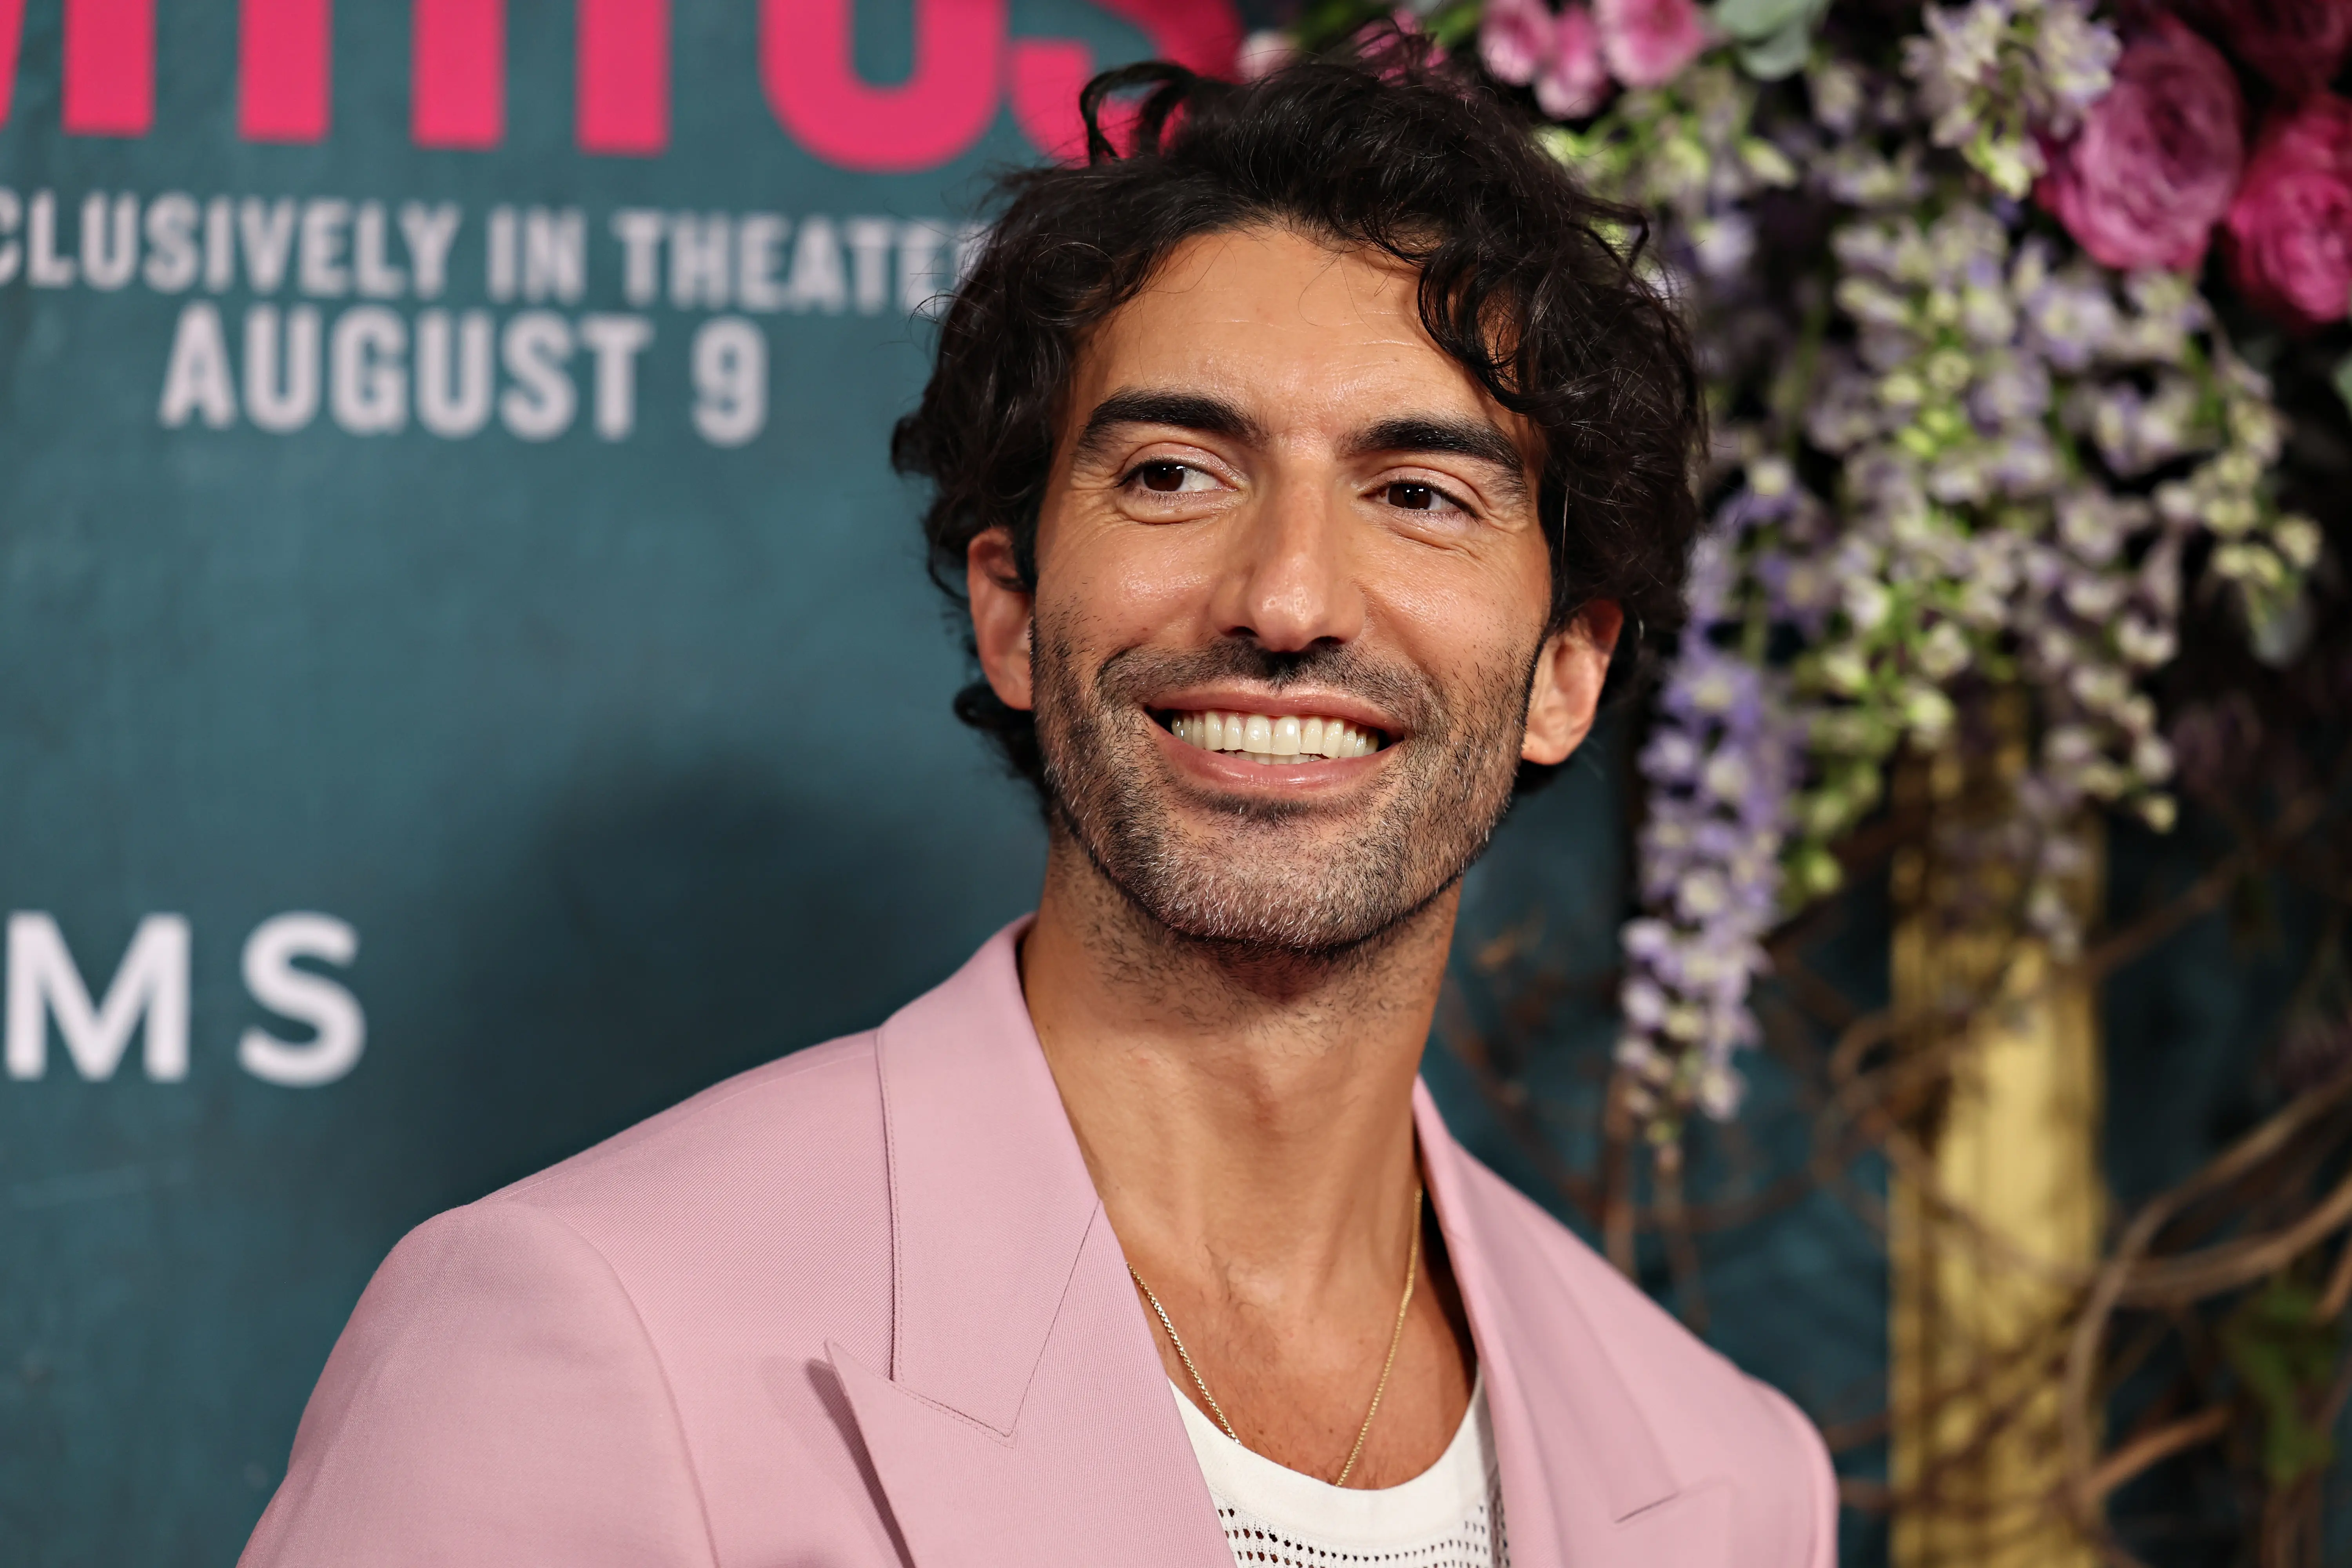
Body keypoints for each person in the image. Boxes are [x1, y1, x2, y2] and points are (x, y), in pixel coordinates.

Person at [240, 47, 1837, 1568]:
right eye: (1173, 473)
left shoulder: (1731, 1480)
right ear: (1011, 610)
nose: (1288, 597)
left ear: (1567, 669)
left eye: (1419, 494)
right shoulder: (590, 1329)